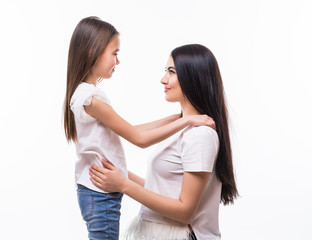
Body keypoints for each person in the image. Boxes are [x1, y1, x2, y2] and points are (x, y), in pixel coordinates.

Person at [63, 17, 215, 240]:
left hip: (96, 194)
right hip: (100, 195)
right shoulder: (91, 99)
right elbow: (139, 139)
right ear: (92, 52)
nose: (118, 61)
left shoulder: (85, 95)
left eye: (171, 72)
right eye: (114, 53)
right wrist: (185, 121)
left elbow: (130, 129)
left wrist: (177, 118)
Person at [90, 44, 238, 240]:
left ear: (193, 77)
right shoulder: (185, 129)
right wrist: (121, 174)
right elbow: (162, 190)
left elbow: (185, 211)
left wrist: (124, 185)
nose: (163, 79)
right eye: (165, 71)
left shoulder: (200, 136)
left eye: (171, 72)